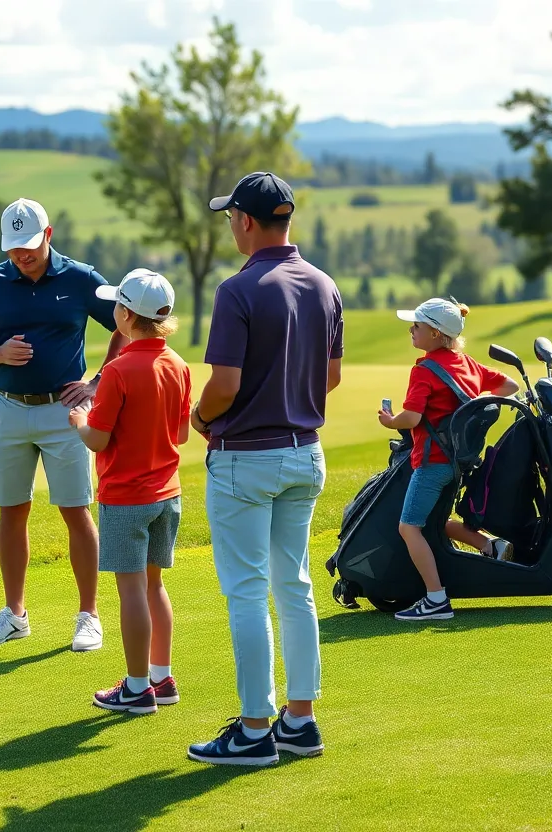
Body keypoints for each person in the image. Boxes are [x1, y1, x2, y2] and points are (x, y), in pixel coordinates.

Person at [186, 172, 342, 767]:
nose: (229, 224)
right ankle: (299, 721)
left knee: (248, 593)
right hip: (305, 453)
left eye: (231, 216)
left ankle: (254, 731)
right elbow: (328, 379)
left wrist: (201, 416)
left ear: (247, 221)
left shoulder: (238, 289)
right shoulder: (324, 285)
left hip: (244, 459)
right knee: (294, 586)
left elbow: (223, 386)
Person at [0, 197, 129, 653]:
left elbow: (126, 323)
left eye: (30, 246)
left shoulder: (80, 278)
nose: (22, 255)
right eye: (14, 249)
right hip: (9, 408)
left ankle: (88, 616)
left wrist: (96, 382)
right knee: (11, 510)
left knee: (76, 510)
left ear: (49, 235)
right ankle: (15, 614)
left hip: (64, 412)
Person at [67, 269, 192, 715]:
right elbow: (180, 433)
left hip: (126, 495)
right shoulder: (178, 364)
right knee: (154, 585)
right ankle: (161, 677)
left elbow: (98, 440)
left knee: (131, 590)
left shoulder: (119, 370)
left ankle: (137, 687)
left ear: (124, 314)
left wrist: (80, 419)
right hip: (168, 493)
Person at [378, 298, 520, 622]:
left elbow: (412, 418)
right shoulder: (467, 364)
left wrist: (389, 421)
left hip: (432, 464)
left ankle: (436, 600)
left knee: (409, 528)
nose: (411, 329)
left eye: (417, 325)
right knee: (433, 519)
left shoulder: (424, 369)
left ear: (436, 334)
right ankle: (489, 547)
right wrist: (473, 406)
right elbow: (508, 386)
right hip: (457, 464)